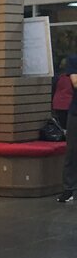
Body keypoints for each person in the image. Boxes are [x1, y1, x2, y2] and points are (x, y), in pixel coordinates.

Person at [58, 54, 77, 203]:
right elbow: (75, 82)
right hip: (75, 113)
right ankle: (69, 189)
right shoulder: (73, 59)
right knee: (72, 151)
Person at [52, 56, 74, 130]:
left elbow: (53, 89)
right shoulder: (73, 77)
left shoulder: (57, 77)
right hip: (70, 104)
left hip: (58, 104)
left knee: (62, 126)